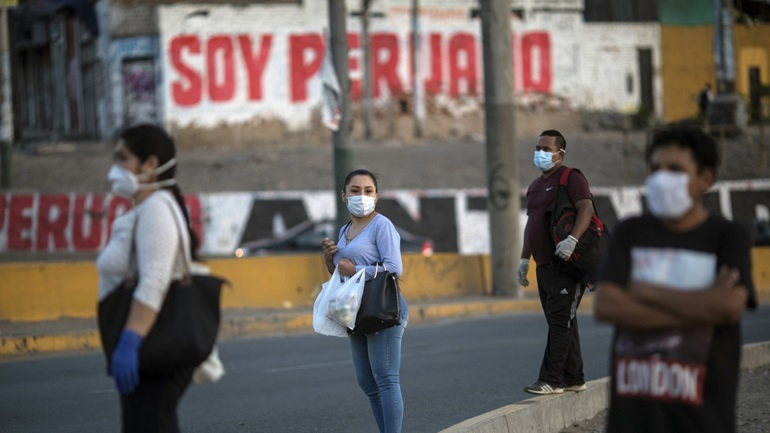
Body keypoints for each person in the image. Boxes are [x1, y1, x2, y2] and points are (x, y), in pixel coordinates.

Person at [593, 123, 756, 433]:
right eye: (655, 168)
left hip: (703, 421)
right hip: (632, 422)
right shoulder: (630, 232)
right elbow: (607, 306)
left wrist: (643, 291)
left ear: (705, 179)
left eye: (675, 169)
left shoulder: (727, 237)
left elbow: (728, 308)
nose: (661, 177)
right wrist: (703, 303)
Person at [97, 124, 200, 432]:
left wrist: (131, 340)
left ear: (151, 164)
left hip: (151, 347)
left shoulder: (156, 208)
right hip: (147, 346)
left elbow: (154, 279)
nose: (115, 167)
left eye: (123, 158)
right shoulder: (145, 208)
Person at [321, 169, 408, 433]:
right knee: (367, 383)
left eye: (368, 191)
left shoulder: (382, 225)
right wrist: (329, 258)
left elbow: (395, 268)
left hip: (382, 307)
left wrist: (356, 269)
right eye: (355, 191)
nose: (362, 196)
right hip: (356, 310)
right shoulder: (345, 229)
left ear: (377, 196)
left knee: (386, 379)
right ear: (344, 196)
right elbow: (341, 271)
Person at [517, 130, 595, 395]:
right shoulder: (535, 186)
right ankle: (574, 377)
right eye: (538, 147)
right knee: (560, 321)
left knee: (561, 320)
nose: (540, 153)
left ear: (560, 154)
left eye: (547, 149)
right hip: (544, 265)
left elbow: (586, 208)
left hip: (567, 263)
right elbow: (532, 225)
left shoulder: (571, 177)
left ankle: (551, 379)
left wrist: (572, 239)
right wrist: (523, 260)